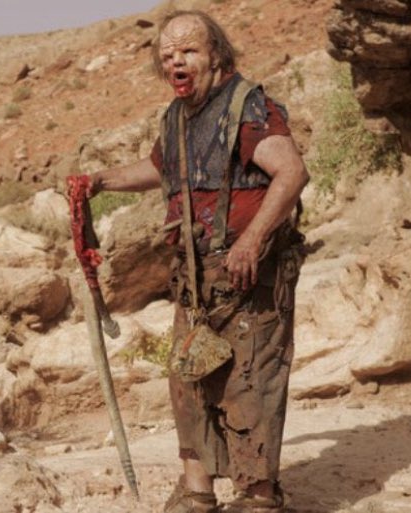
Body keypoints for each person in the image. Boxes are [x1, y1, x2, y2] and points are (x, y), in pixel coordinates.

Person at [85, 10, 309, 513]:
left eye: (188, 51)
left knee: (249, 380)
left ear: (216, 55)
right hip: (195, 276)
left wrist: (251, 241)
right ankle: (197, 494)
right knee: (188, 380)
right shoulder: (176, 116)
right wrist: (100, 181)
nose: (176, 62)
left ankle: (258, 496)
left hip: (251, 274)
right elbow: (158, 168)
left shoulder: (248, 107)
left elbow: (292, 172)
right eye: (168, 56)